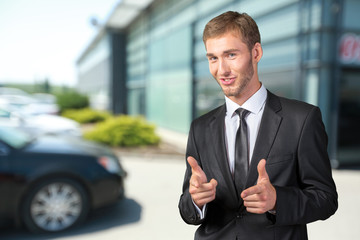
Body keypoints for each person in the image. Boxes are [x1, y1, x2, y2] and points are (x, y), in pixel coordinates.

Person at [178, 11, 338, 240]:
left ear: (256, 52)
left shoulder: (302, 119)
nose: (221, 70)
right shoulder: (200, 128)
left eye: (231, 55)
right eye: (213, 58)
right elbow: (187, 210)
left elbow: (325, 199)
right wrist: (195, 200)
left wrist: (277, 201)